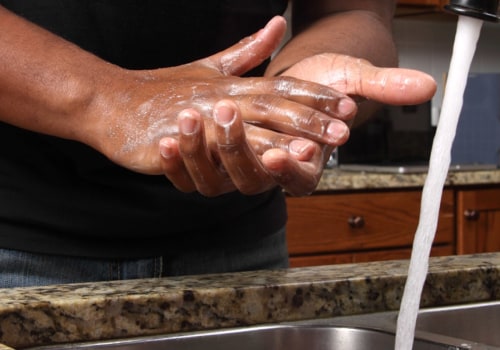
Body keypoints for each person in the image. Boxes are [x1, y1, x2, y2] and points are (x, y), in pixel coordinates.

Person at [0, 0, 436, 288]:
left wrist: (297, 98)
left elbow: (353, 11)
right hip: (18, 248)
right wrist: (111, 99)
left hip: (241, 254)